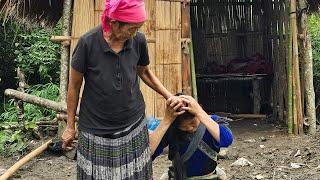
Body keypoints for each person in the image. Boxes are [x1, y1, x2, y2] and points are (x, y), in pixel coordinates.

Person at [61, 0, 182, 179]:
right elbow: (74, 86)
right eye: (131, 28)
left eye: (137, 28)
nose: (134, 33)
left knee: (136, 174)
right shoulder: (88, 43)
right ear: (114, 23)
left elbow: (145, 72)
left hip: (133, 124)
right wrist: (70, 126)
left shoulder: (138, 41)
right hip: (96, 129)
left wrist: (169, 96)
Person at [149, 95, 233, 180]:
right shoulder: (172, 129)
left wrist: (200, 112)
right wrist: (166, 121)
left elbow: (227, 140)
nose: (189, 128)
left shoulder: (210, 122)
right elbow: (149, 154)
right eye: (184, 127)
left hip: (210, 176)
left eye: (193, 123)